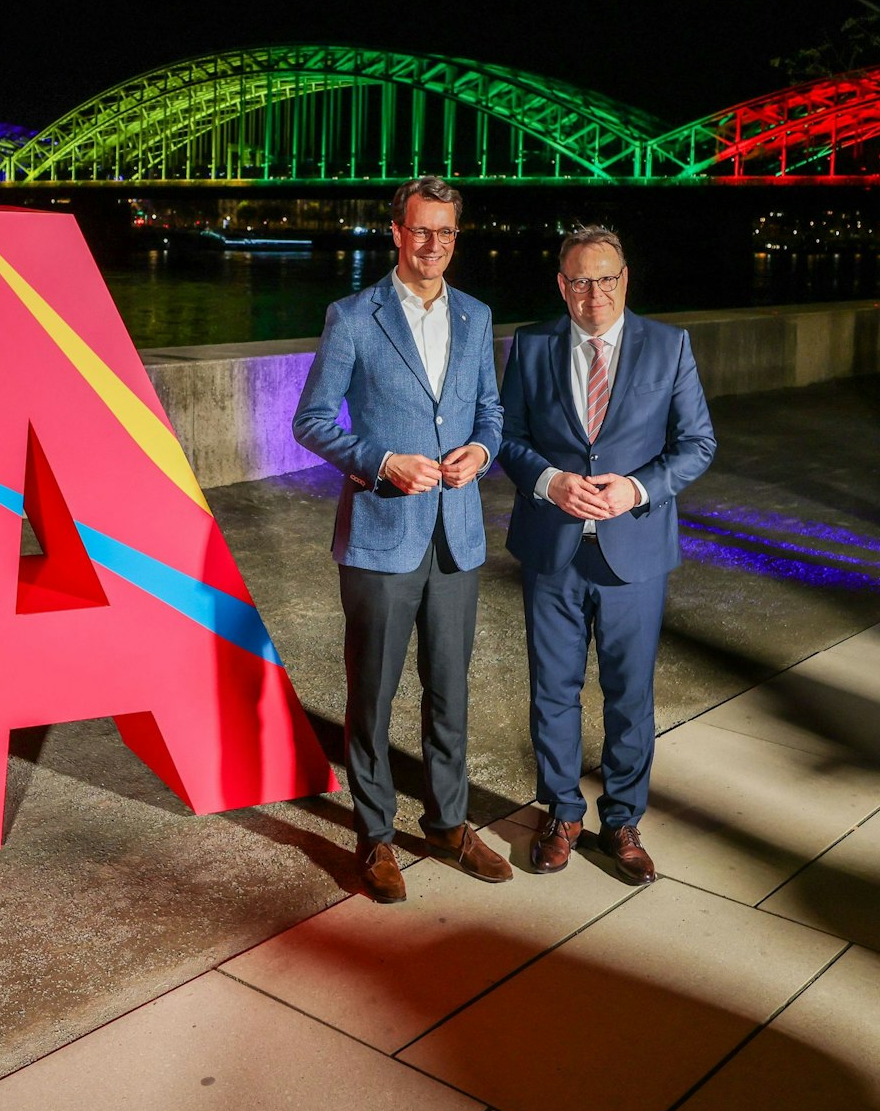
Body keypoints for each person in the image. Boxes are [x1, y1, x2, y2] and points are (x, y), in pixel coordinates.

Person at [293, 177, 509, 903]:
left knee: (449, 692)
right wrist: (381, 461)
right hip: (381, 534)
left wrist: (482, 451)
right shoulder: (354, 316)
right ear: (396, 232)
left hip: (457, 537)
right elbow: (312, 421)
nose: (433, 245)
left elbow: (489, 412)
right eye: (421, 230)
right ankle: (375, 834)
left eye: (445, 233)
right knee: (373, 694)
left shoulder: (476, 315)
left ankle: (448, 824)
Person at [497, 225, 716, 884]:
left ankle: (622, 820)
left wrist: (637, 488)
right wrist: (549, 481)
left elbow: (697, 443)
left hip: (634, 551)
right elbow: (507, 437)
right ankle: (562, 814)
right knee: (552, 689)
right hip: (552, 547)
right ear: (562, 286)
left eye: (607, 278)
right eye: (580, 281)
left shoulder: (669, 345)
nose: (595, 293)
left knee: (629, 694)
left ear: (626, 279)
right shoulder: (532, 345)